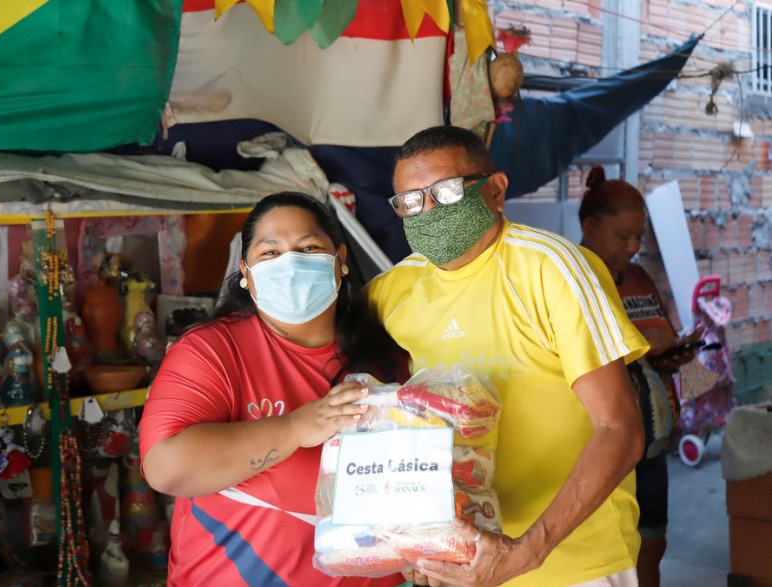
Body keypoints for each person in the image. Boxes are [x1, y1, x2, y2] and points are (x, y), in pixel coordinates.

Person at [365, 125, 649, 587]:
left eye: (447, 191)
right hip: (459, 561)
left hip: (572, 561)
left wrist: (525, 552)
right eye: (411, 202)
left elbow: (620, 429)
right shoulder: (391, 293)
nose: (428, 211)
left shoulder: (553, 268)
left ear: (495, 190)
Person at [139, 192, 408, 586]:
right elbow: (165, 469)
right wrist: (296, 429)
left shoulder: (389, 354)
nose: (292, 263)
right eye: (270, 253)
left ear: (341, 261)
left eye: (309, 247)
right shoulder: (212, 350)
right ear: (245, 271)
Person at [579, 166, 701, 587]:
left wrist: (671, 354)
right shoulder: (570, 281)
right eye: (622, 236)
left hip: (650, 445)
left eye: (639, 236)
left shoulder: (637, 277)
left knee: (652, 550)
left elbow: (652, 339)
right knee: (612, 563)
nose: (633, 247)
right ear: (590, 227)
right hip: (601, 449)